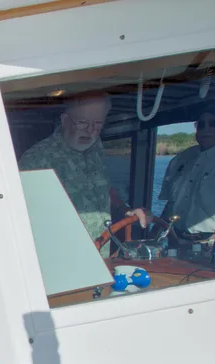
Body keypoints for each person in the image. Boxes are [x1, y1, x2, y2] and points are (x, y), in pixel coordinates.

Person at [18, 92, 151, 254]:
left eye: (97, 123)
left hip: (101, 254)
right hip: (62, 258)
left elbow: (105, 188)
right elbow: (21, 217)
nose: (90, 130)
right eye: (82, 123)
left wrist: (125, 210)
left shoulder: (96, 147)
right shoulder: (36, 160)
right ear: (65, 120)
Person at [158, 103, 215, 239]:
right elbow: (170, 205)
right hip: (176, 239)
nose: (206, 129)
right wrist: (153, 235)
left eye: (214, 123)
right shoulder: (180, 159)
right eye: (201, 124)